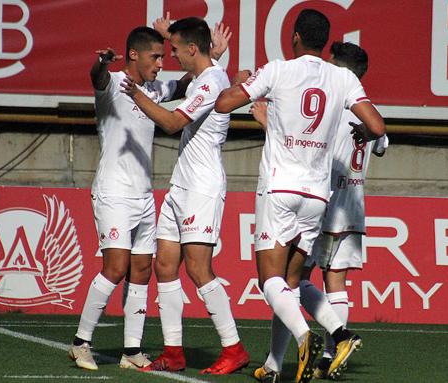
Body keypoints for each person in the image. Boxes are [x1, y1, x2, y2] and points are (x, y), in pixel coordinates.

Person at [215, 9, 386, 383]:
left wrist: (242, 84)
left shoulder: (278, 70)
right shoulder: (341, 77)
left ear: (294, 37)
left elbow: (224, 104)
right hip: (317, 195)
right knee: (293, 284)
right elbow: (376, 126)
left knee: (269, 280)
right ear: (324, 42)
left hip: (280, 186)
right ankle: (320, 344)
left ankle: (305, 336)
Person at [68, 17, 230, 371]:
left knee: (141, 270)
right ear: (133, 56)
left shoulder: (155, 90)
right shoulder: (112, 83)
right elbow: (95, 78)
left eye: (163, 56)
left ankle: (132, 350)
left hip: (144, 195)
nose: (161, 63)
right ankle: (81, 342)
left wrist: (213, 55)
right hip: (113, 192)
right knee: (115, 267)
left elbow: (192, 80)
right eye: (155, 57)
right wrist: (101, 63)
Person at [120, 16, 249, 375]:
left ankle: (234, 348)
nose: (171, 56)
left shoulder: (211, 82)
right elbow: (205, 66)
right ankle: (174, 352)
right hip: (181, 185)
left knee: (198, 268)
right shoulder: (205, 76)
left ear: (193, 49)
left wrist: (135, 95)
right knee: (165, 265)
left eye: (175, 49)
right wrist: (170, 34)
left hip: (202, 189)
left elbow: (174, 122)